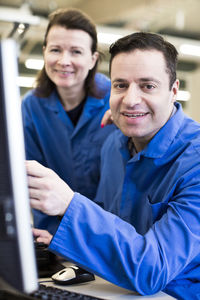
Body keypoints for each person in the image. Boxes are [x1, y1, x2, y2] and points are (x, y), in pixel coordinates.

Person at [26, 32, 200, 300]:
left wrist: (69, 205)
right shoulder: (113, 147)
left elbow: (152, 270)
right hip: (117, 288)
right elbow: (114, 227)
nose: (130, 100)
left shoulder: (194, 162)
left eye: (148, 86)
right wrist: (68, 244)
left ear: (173, 90)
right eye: (120, 85)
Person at [22, 8, 116, 235]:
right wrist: (57, 237)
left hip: (110, 231)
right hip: (54, 234)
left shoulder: (116, 99)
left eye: (76, 51)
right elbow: (33, 182)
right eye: (56, 50)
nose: (64, 61)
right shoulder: (31, 107)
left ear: (93, 59)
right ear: (44, 52)